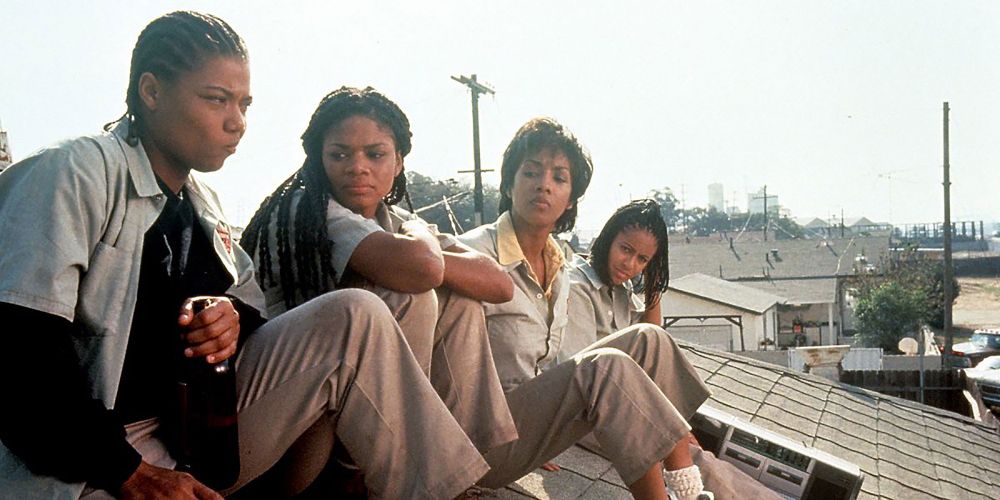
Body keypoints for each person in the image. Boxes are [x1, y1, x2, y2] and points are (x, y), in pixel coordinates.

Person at [0, 12, 487, 499]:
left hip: (196, 435)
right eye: (216, 100)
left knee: (355, 315)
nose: (237, 122)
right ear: (151, 92)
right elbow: (17, 362)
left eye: (244, 104)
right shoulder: (73, 173)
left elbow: (252, 310)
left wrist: (231, 316)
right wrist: (131, 473)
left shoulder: (202, 204)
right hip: (86, 459)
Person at [241, 86, 516, 453]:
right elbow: (424, 269)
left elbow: (500, 284)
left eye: (375, 154)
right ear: (319, 160)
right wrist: (421, 246)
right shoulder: (308, 211)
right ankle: (402, 462)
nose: (358, 167)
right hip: (289, 418)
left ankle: (458, 454)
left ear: (398, 161)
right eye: (339, 155)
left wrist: (418, 236)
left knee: (462, 302)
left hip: (348, 411)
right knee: (411, 291)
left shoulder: (398, 223)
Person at [458, 118, 713, 500]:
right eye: (530, 172)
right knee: (605, 366)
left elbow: (547, 368)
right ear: (509, 183)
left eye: (559, 178)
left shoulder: (558, 263)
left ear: (571, 199)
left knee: (649, 338)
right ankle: (684, 492)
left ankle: (682, 476)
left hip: (529, 424)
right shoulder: (473, 253)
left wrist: (543, 426)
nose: (543, 184)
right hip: (479, 439)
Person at [563, 200, 781, 500]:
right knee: (699, 462)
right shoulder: (576, 287)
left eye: (642, 259)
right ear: (607, 239)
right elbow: (576, 377)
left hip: (623, 404)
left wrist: (653, 283)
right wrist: (665, 425)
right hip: (591, 413)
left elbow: (653, 344)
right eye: (625, 249)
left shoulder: (619, 289)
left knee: (699, 452)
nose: (630, 265)